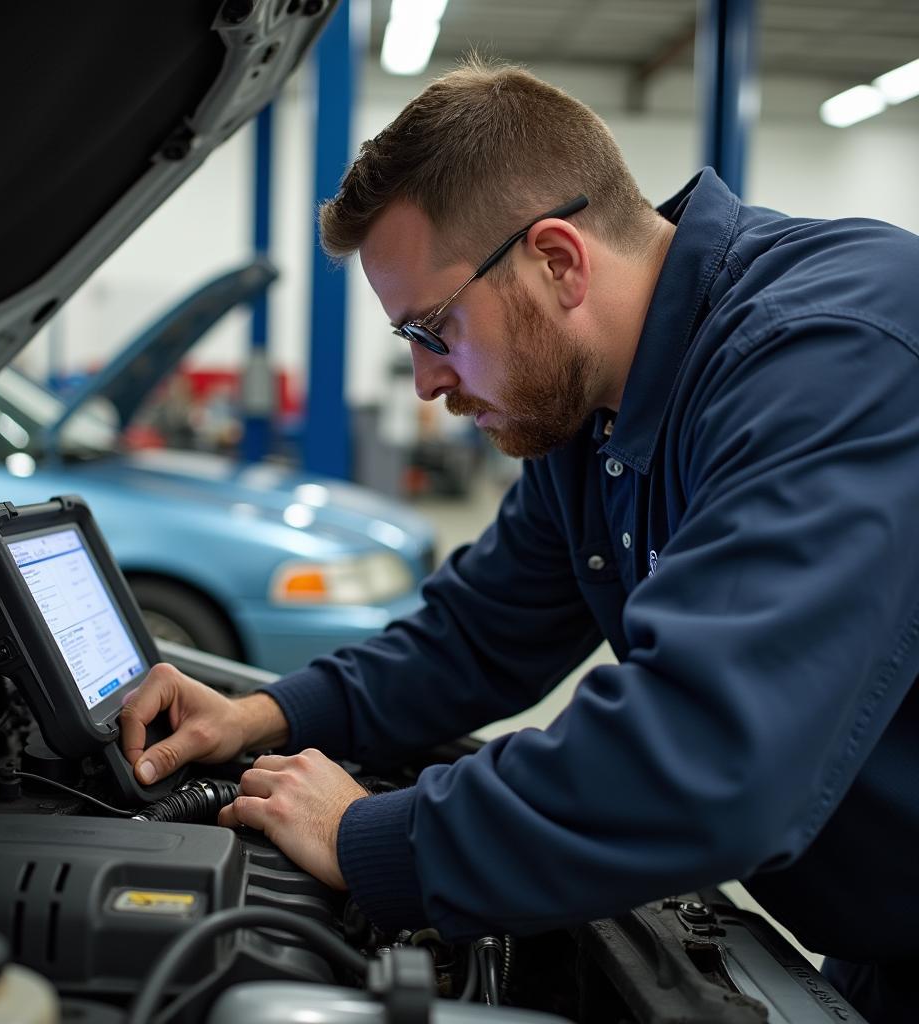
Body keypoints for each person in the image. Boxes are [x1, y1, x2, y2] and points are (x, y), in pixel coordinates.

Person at [120, 57, 919, 1023]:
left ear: (558, 261)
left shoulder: (833, 353)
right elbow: (478, 634)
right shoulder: (597, 413)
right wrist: (268, 714)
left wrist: (376, 838)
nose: (423, 382)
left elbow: (708, 757)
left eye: (433, 328)